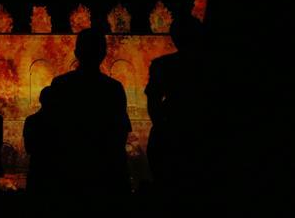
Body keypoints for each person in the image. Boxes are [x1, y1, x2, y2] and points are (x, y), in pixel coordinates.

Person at [49, 28, 131, 194]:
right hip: (105, 176)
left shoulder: (60, 86)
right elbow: (120, 134)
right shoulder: (113, 89)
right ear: (103, 53)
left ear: (77, 52)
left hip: (68, 174)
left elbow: (52, 131)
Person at [145, 14, 210, 190]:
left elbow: (153, 100)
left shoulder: (163, 65)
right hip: (200, 132)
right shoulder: (209, 66)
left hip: (171, 130)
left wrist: (161, 126)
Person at [23, 85, 58, 193]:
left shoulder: (31, 121)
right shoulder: (61, 123)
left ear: (40, 100)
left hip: (37, 169)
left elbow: (28, 148)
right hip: (55, 172)